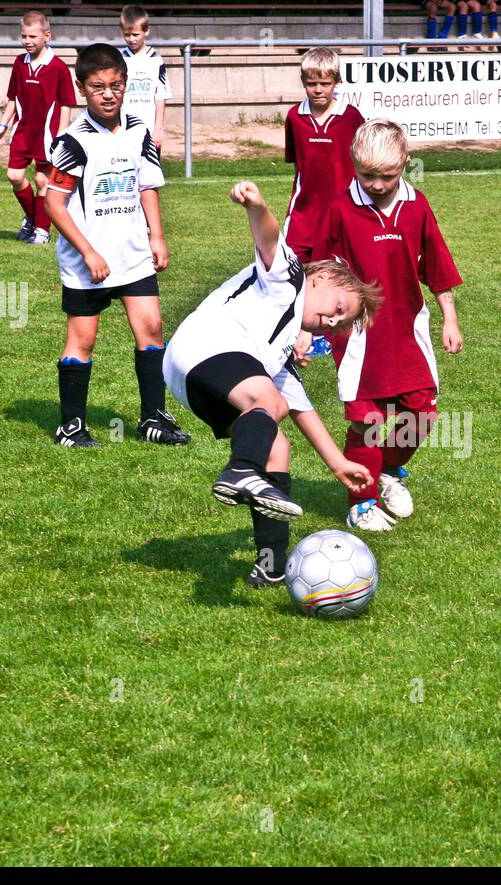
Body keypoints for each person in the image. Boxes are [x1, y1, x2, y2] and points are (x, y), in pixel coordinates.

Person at [163, 181, 383, 586]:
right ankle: (240, 470)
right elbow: (269, 238)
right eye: (338, 307)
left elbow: (302, 409)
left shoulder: (280, 348)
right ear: (321, 279)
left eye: (341, 323)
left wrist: (338, 464)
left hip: (191, 377)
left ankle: (272, 563)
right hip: (203, 347)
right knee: (269, 405)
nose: (333, 321)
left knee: (277, 445)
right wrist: (257, 206)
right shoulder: (291, 278)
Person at [312, 120, 464, 532]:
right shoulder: (341, 210)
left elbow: (437, 265)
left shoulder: (417, 206)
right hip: (359, 336)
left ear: (405, 165)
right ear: (354, 166)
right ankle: (361, 502)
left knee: (422, 415)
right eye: (367, 175)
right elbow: (318, 274)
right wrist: (307, 330)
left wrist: (449, 318)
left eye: (387, 175)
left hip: (408, 331)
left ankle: (387, 470)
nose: (377, 184)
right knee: (368, 419)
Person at [44, 43, 189, 449]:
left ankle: (152, 417)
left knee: (152, 329)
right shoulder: (73, 141)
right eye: (97, 87)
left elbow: (146, 186)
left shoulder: (139, 129)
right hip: (87, 262)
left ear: (125, 85)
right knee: (83, 340)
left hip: (133, 254)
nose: (108, 94)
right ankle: (71, 426)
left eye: (115, 85)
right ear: (82, 89)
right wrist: (89, 252)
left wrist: (156, 235)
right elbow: (54, 203)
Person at [0, 10, 76, 245]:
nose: (27, 42)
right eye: (23, 37)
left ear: (46, 36)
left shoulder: (58, 67)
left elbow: (66, 104)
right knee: (14, 176)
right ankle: (32, 218)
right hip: (23, 131)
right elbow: (12, 98)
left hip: (48, 135)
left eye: (32, 37)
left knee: (42, 181)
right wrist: (3, 123)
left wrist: (61, 134)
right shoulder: (19, 63)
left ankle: (42, 230)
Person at [283, 47, 366, 264]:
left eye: (325, 84)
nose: (318, 90)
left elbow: (366, 160)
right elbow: (298, 166)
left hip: (344, 212)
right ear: (303, 82)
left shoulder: (351, 117)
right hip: (304, 216)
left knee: (339, 277)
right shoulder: (294, 117)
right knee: (295, 275)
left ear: (336, 81)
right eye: (311, 84)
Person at [118, 4, 170, 150]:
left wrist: (158, 130)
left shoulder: (156, 60)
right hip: (125, 130)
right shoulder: (120, 59)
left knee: (151, 171)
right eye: (127, 35)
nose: (131, 39)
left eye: (135, 34)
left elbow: (160, 98)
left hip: (150, 131)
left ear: (146, 31)